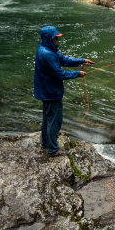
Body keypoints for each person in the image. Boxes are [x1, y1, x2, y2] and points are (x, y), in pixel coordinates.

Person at [34, 26, 94, 157]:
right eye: (56, 37)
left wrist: (82, 61)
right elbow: (59, 74)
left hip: (46, 91)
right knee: (54, 121)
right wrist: (78, 74)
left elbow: (64, 59)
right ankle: (53, 149)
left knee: (47, 118)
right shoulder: (48, 54)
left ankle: (45, 142)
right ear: (50, 38)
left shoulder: (45, 49)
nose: (57, 39)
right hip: (51, 92)